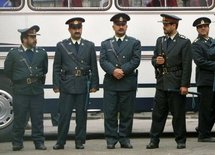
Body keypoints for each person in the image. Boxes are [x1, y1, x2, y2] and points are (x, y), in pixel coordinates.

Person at [146, 14, 192, 149]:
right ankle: (154, 140)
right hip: (162, 83)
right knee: (158, 115)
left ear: (174, 25)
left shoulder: (184, 42)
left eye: (166, 25)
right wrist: (156, 62)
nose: (164, 27)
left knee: (178, 114)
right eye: (163, 24)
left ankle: (180, 140)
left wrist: (184, 85)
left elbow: (187, 65)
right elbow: (154, 58)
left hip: (176, 83)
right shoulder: (160, 41)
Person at [52, 17, 99, 150]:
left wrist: (95, 84)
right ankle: (60, 142)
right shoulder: (61, 45)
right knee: (64, 115)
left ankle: (79, 141)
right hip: (67, 84)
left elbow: (93, 66)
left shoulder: (89, 45)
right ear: (69, 30)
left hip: (83, 84)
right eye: (74, 28)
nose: (77, 30)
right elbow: (56, 67)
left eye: (79, 28)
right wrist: (56, 85)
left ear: (81, 29)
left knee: (81, 115)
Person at [100, 13, 141, 149]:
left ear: (127, 26)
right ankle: (111, 139)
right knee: (110, 113)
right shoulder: (106, 44)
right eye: (118, 25)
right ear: (113, 27)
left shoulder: (134, 42)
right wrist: (113, 71)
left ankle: (124, 139)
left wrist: (121, 70)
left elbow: (136, 60)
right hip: (111, 82)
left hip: (127, 82)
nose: (121, 27)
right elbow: (103, 60)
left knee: (126, 113)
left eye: (123, 25)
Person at [4, 25, 48, 151]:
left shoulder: (41, 53)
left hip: (36, 91)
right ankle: (17, 143)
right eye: (32, 37)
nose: (35, 39)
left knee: (37, 118)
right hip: (21, 91)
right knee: (20, 118)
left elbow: (44, 69)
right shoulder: (13, 54)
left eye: (35, 36)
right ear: (24, 39)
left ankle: (39, 142)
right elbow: (8, 71)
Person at [191, 17, 215, 142]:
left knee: (213, 107)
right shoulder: (196, 44)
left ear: (208, 28)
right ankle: (203, 135)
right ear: (197, 29)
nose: (203, 28)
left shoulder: (212, 41)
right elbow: (200, 62)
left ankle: (202, 128)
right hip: (205, 81)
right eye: (200, 27)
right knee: (206, 108)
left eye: (205, 26)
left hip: (213, 80)